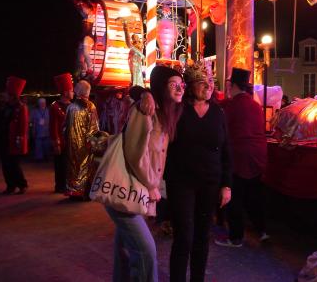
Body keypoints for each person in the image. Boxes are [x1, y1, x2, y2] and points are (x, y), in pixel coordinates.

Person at [106, 65, 184, 282]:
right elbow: (134, 154)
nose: (179, 89)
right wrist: (152, 185)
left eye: (181, 84)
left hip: (134, 192)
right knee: (146, 251)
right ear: (161, 87)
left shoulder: (166, 113)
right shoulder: (146, 111)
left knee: (124, 247)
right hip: (127, 190)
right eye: (173, 84)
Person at [164, 61, 232, 282]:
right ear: (190, 86)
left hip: (210, 183)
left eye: (211, 81)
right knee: (184, 235)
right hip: (182, 182)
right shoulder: (178, 110)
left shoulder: (218, 113)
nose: (208, 86)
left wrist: (227, 184)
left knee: (203, 237)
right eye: (202, 82)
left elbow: (226, 151)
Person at [215, 67, 269, 248]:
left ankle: (236, 237)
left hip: (238, 157)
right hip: (258, 155)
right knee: (255, 195)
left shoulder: (229, 105)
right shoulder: (255, 105)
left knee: (235, 197)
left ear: (232, 85)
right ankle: (262, 231)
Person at [63, 80, 99, 199]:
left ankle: (73, 191)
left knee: (73, 167)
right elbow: (94, 128)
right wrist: (94, 143)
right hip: (85, 145)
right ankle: (84, 193)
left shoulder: (70, 107)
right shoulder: (90, 106)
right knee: (85, 168)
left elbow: (64, 127)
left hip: (71, 145)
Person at [0, 76, 29, 194]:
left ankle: (22, 184)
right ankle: (10, 186)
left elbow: (23, 126)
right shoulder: (5, 107)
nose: (4, 95)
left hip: (14, 141)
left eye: (7, 93)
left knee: (14, 165)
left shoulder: (21, 108)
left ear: (12, 95)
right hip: (4, 139)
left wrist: (19, 140)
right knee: (6, 165)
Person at [49, 73, 74, 193]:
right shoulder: (55, 106)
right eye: (71, 91)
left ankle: (66, 184)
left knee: (67, 164)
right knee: (59, 164)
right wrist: (56, 142)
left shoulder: (72, 106)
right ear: (65, 93)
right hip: (61, 141)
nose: (73, 93)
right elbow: (53, 126)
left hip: (70, 140)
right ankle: (59, 185)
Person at [122, 19, 145, 87]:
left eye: (136, 37)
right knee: (133, 72)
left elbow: (137, 49)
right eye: (134, 37)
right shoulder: (132, 45)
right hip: (132, 59)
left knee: (137, 72)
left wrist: (142, 56)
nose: (135, 38)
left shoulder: (139, 45)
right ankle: (133, 84)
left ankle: (136, 85)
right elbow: (129, 44)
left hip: (137, 59)